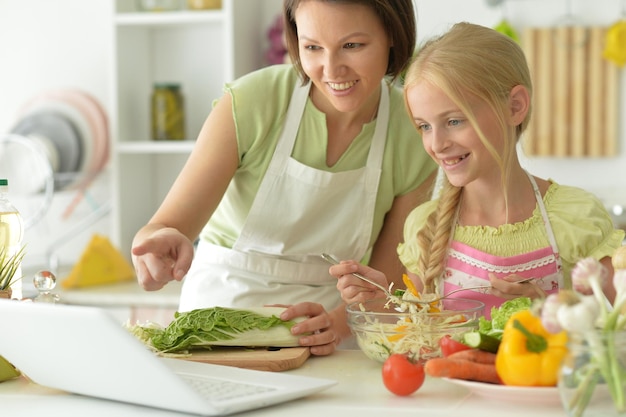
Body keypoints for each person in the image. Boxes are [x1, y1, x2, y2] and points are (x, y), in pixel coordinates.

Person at [130, 0, 438, 356]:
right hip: (217, 324)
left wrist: (334, 327)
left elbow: (385, 285)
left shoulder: (414, 129)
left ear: (393, 37)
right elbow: (163, 228)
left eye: (352, 45)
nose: (331, 69)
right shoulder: (253, 101)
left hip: (329, 336)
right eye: (312, 47)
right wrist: (156, 247)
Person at [331, 22, 625, 317]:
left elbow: (617, 327)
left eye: (454, 121)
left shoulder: (576, 218)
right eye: (424, 126)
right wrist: (380, 297)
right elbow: (415, 330)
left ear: (515, 107)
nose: (437, 143)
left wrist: (550, 311)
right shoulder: (426, 228)